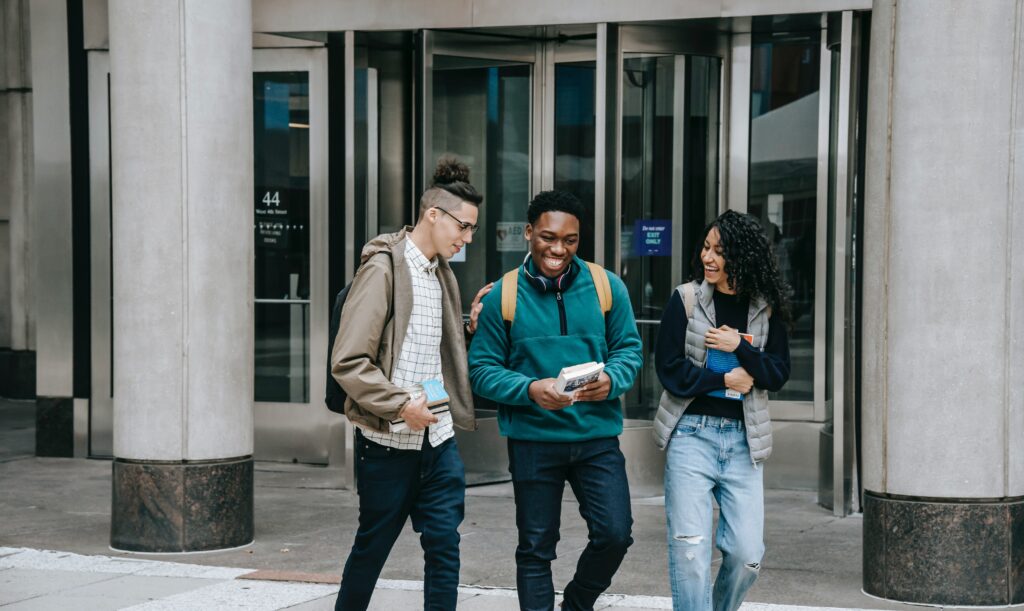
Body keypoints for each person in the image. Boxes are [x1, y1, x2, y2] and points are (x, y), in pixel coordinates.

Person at [468, 190, 644, 611]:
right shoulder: (502, 296)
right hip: (532, 440)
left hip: (596, 439)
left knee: (615, 534)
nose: (558, 249)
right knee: (535, 548)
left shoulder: (607, 286)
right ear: (529, 233)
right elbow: (482, 371)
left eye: (570, 240)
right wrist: (531, 390)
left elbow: (629, 351)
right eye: (548, 237)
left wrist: (612, 379)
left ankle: (577, 604)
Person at [330, 158, 489, 611]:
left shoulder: (441, 272)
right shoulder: (383, 270)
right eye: (464, 226)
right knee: (372, 551)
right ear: (433, 214)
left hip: (437, 440)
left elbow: (417, 341)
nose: (468, 238)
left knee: (444, 546)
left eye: (473, 229)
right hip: (387, 444)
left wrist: (467, 327)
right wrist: (401, 406)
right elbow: (350, 360)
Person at [652, 210, 791, 611]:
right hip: (691, 434)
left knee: (748, 554)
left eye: (719, 251)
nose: (708, 258)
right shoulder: (686, 299)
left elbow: (777, 372)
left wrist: (740, 348)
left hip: (744, 442)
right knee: (690, 549)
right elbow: (670, 371)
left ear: (742, 257)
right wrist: (723, 381)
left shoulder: (767, 308)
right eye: (706, 248)